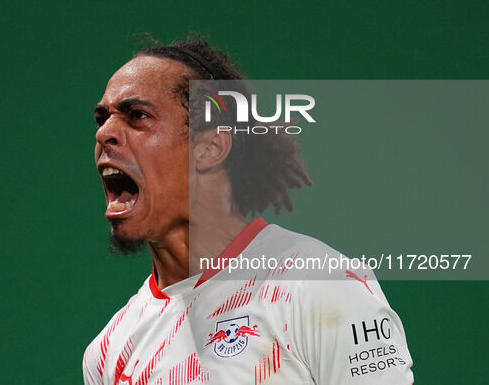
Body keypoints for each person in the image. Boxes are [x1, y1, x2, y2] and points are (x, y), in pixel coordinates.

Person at [83, 36, 414, 384]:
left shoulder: (321, 285)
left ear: (210, 147)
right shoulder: (109, 351)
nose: (105, 133)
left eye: (137, 116)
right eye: (102, 119)